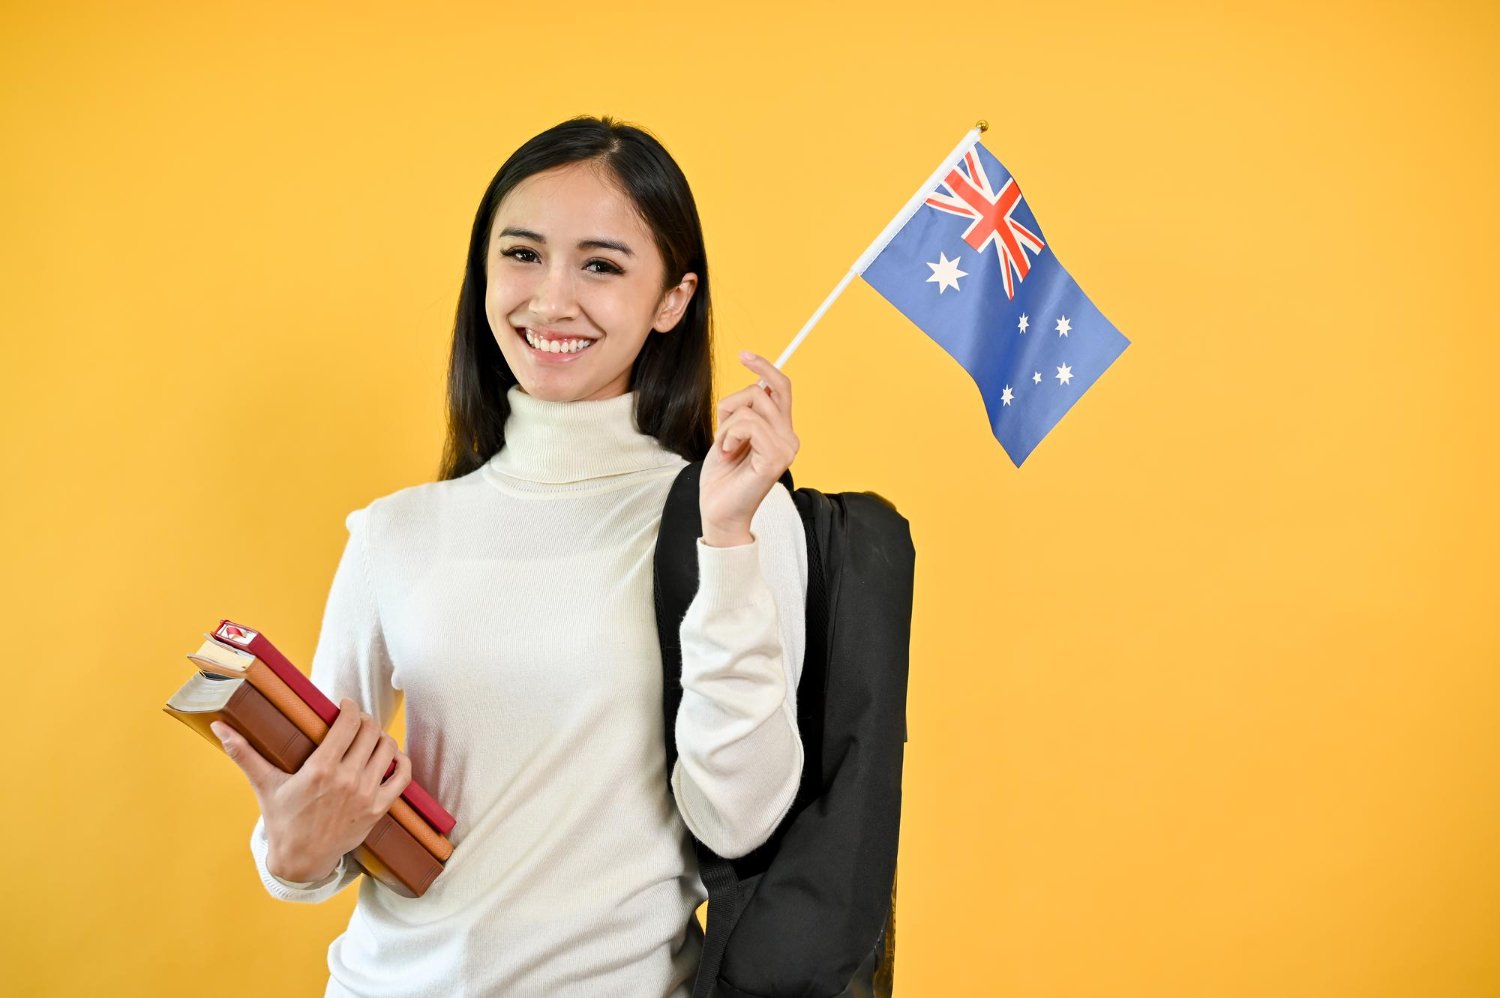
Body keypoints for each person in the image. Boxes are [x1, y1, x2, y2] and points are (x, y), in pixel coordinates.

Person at [208, 114, 809, 997]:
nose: (551, 300)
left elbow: (738, 817)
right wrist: (291, 849)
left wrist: (725, 542)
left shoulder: (733, 512)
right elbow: (322, 834)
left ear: (673, 300)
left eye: (601, 265)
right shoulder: (395, 532)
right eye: (522, 255)